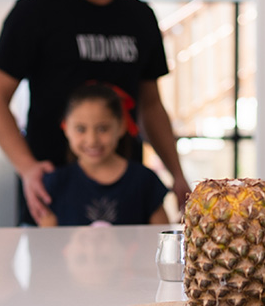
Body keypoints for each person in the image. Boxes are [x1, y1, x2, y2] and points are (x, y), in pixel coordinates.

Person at [0, 0, 190, 226]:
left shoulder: (140, 16)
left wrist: (177, 173)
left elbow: (151, 105)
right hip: (53, 194)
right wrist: (27, 168)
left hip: (127, 196)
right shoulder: (34, 12)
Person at [36, 83, 168, 226]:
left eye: (103, 129)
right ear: (66, 128)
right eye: (81, 129)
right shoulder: (55, 183)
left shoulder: (145, 181)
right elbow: (47, 237)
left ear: (121, 126)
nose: (92, 140)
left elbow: (162, 235)